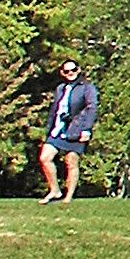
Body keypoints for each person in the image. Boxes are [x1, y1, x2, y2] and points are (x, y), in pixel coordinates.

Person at [38, 60, 99, 202]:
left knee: (71, 161)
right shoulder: (61, 88)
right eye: (66, 71)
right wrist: (49, 127)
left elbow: (92, 107)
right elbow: (55, 109)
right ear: (62, 73)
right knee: (45, 158)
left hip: (76, 129)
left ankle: (68, 197)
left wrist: (86, 129)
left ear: (78, 70)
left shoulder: (87, 88)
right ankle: (55, 190)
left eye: (73, 70)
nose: (70, 73)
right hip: (57, 129)